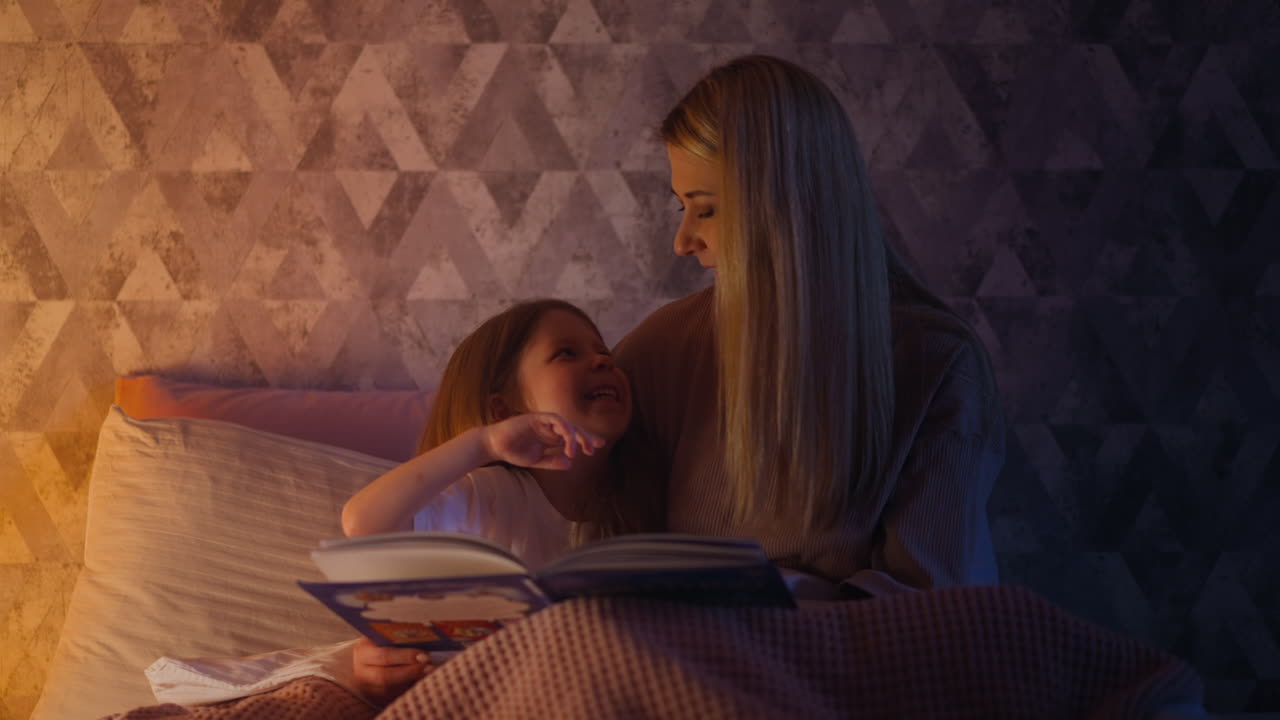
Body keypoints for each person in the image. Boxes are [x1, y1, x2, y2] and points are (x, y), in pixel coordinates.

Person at [613, 54, 1005, 600]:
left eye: (705, 210)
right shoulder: (660, 351)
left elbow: (928, 609)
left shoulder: (936, 364)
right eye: (681, 206)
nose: (682, 242)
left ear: (784, 206)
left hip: (851, 677)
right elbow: (592, 518)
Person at [342, 298, 645, 705]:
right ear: (504, 410)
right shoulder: (488, 497)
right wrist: (484, 443)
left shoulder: (632, 512)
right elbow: (363, 522)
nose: (602, 361)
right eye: (566, 353)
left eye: (604, 351)